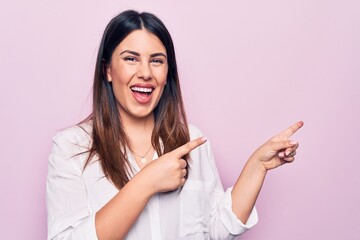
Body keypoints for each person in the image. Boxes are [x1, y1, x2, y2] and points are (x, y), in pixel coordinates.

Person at [46, 10, 303, 240]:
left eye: (157, 60)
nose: (146, 72)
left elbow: (216, 230)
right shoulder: (72, 146)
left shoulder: (192, 140)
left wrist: (257, 167)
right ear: (108, 70)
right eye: (131, 59)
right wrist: (146, 182)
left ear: (167, 73)